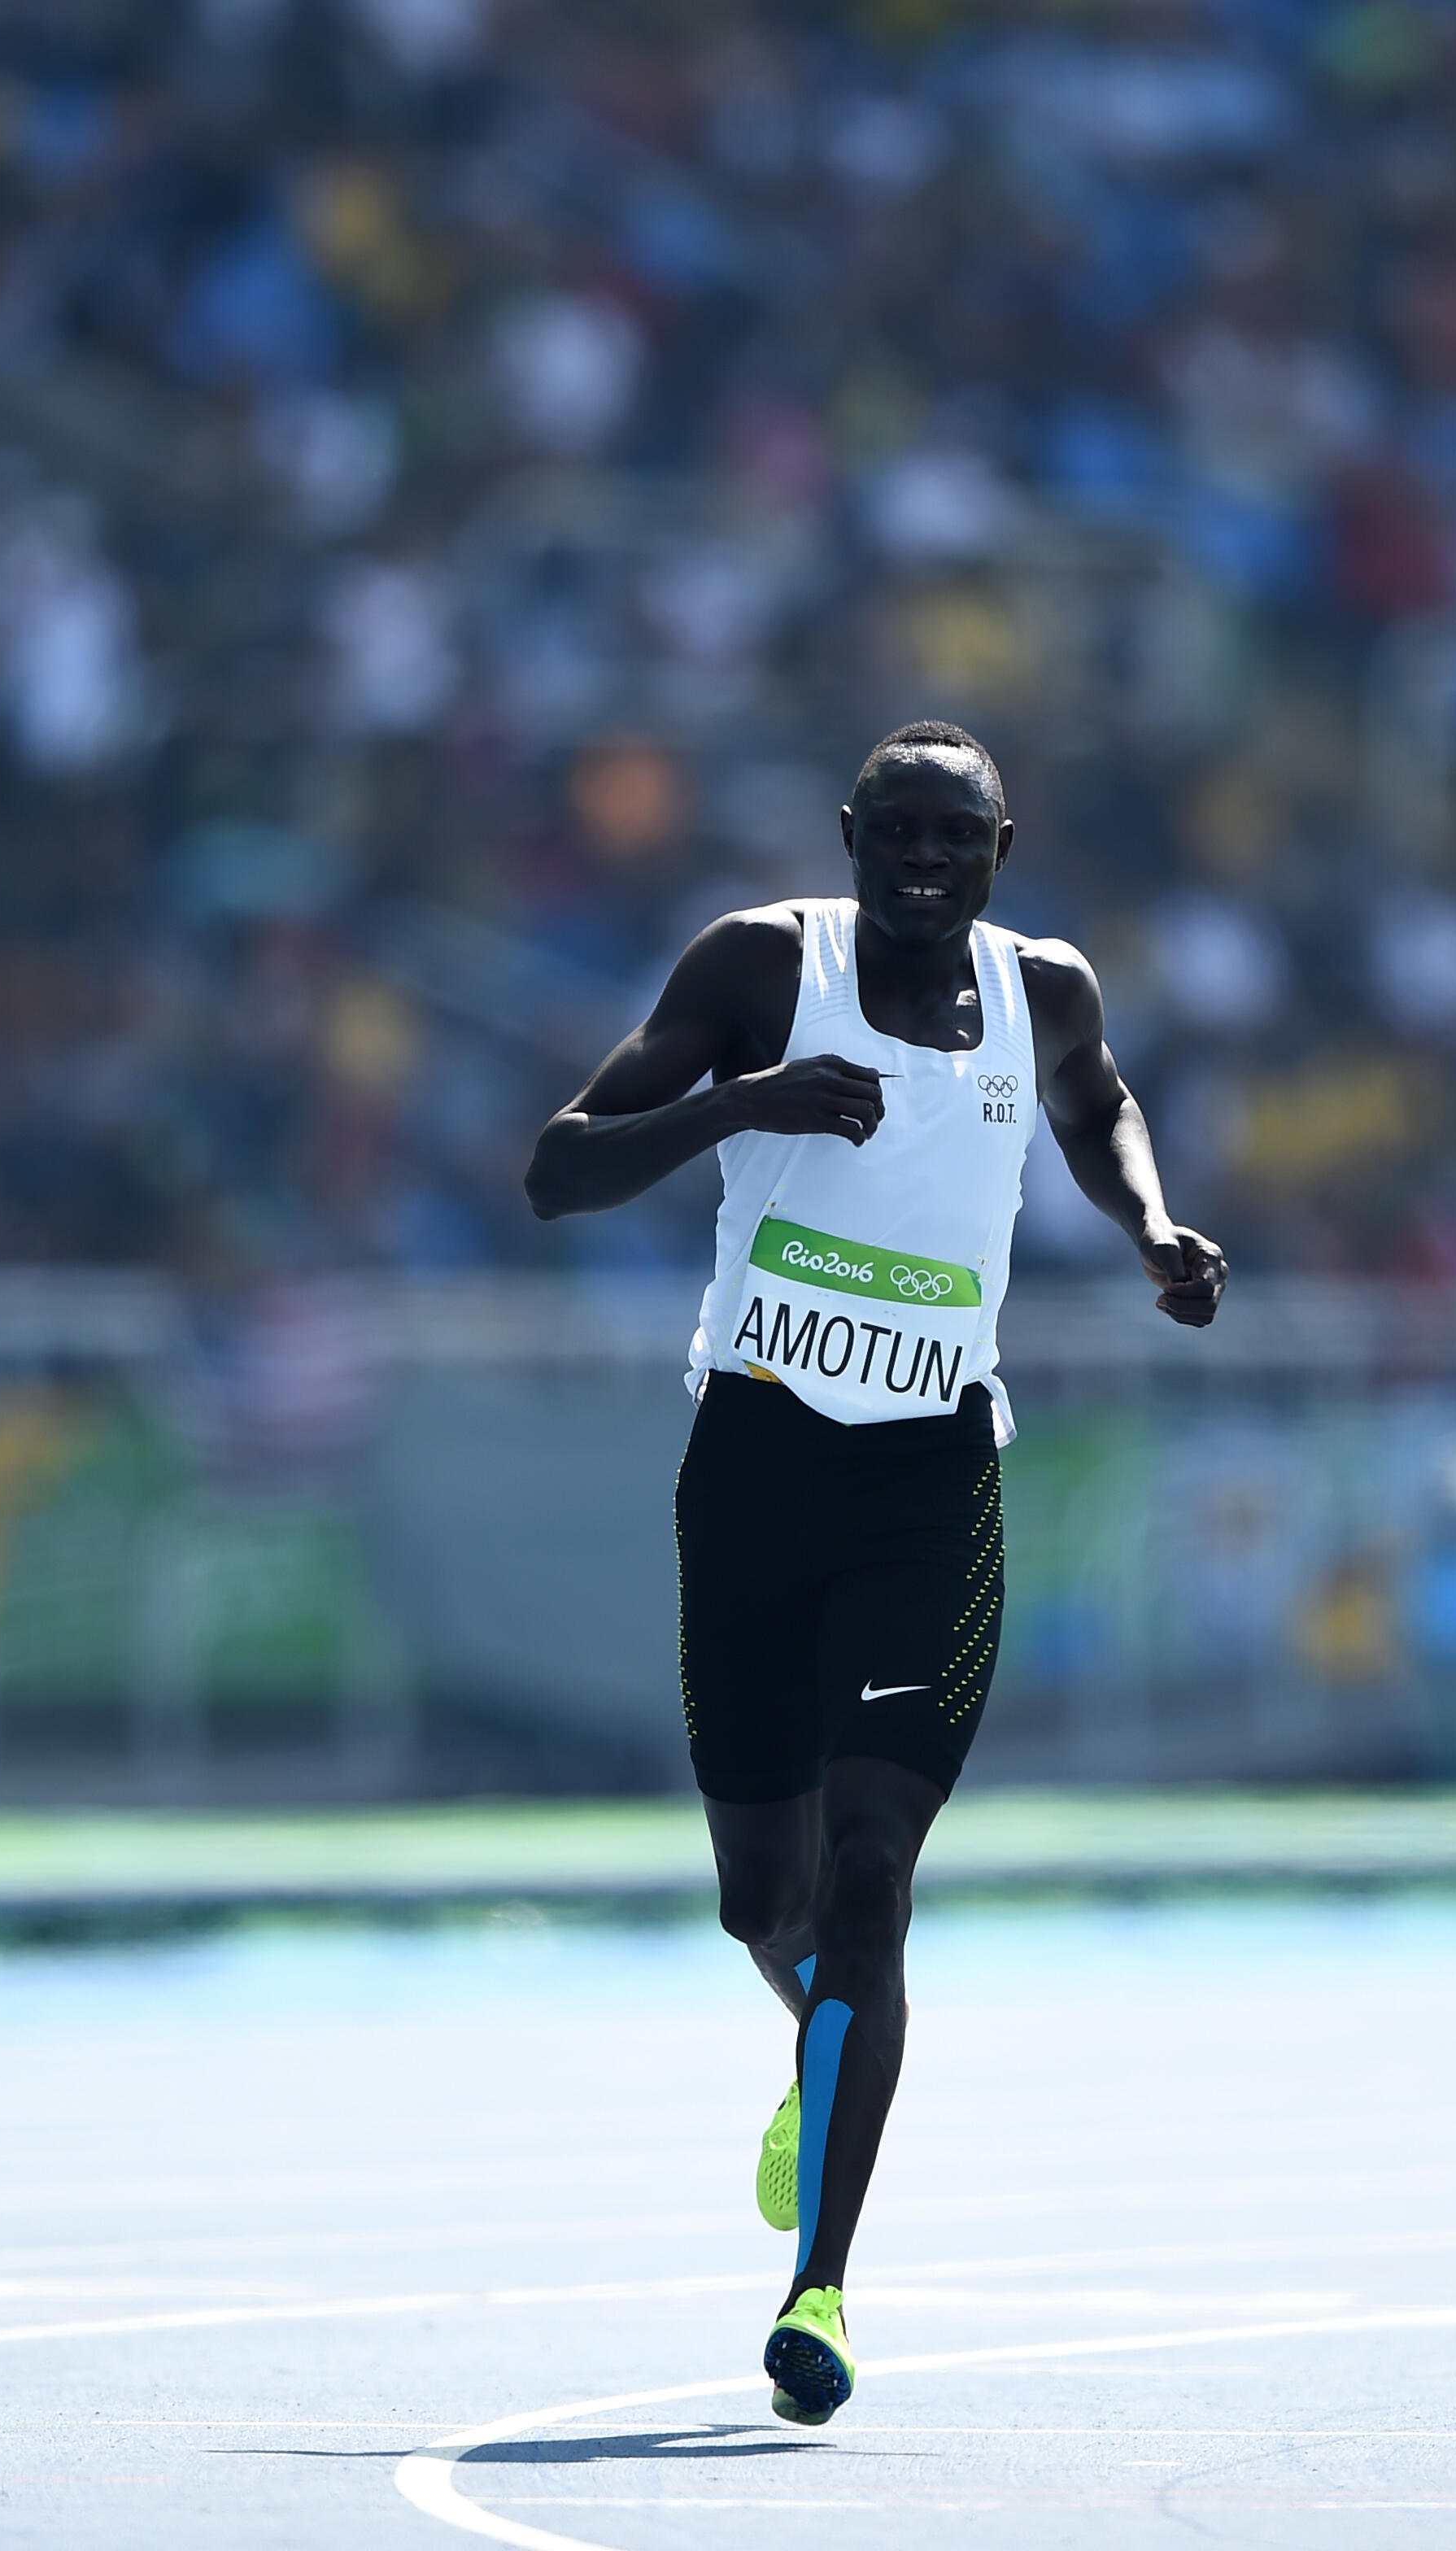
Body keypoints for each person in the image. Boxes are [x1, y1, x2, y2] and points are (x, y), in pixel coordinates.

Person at [523, 718, 1225, 2427]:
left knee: (866, 1873)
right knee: (758, 1897)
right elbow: (558, 1168)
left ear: (1000, 852)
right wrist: (748, 1102)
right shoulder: (765, 966)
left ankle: (819, 2284)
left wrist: (1146, 1229)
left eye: (953, 838)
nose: (921, 859)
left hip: (927, 1487)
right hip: (757, 1470)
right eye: (892, 831)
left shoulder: (1043, 987)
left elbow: (1097, 1101)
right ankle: (829, 2037)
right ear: (850, 836)